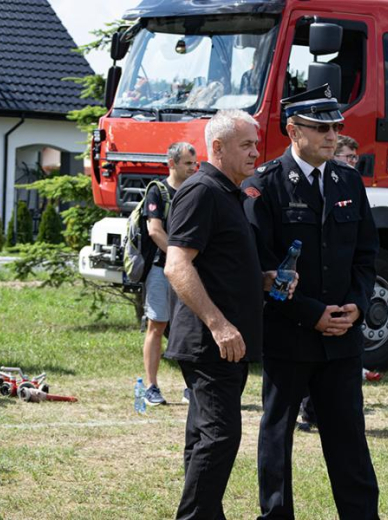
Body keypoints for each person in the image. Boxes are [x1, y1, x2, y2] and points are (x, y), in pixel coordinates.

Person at [242, 84, 380, 519]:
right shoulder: (264, 186)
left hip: (342, 337)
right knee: (277, 435)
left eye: (336, 126)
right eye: (321, 127)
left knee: (348, 441)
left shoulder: (349, 181)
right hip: (291, 335)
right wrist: (312, 314)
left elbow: (366, 254)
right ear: (292, 131)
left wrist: (356, 305)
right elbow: (262, 267)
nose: (332, 135)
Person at [164, 109, 284, 520]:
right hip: (210, 341)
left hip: (227, 343)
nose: (256, 152)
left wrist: (263, 279)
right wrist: (218, 324)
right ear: (217, 148)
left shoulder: (230, 192)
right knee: (220, 437)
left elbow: (219, 263)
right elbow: (177, 265)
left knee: (204, 437)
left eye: (256, 143)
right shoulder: (202, 191)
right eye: (246, 144)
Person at [142, 142, 197, 406]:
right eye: (187, 163)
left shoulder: (196, 190)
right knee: (157, 324)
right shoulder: (158, 191)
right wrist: (178, 259)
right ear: (172, 163)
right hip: (161, 269)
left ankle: (191, 387)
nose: (193, 168)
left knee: (187, 328)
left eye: (194, 163)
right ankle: (151, 387)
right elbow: (154, 230)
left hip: (189, 271)